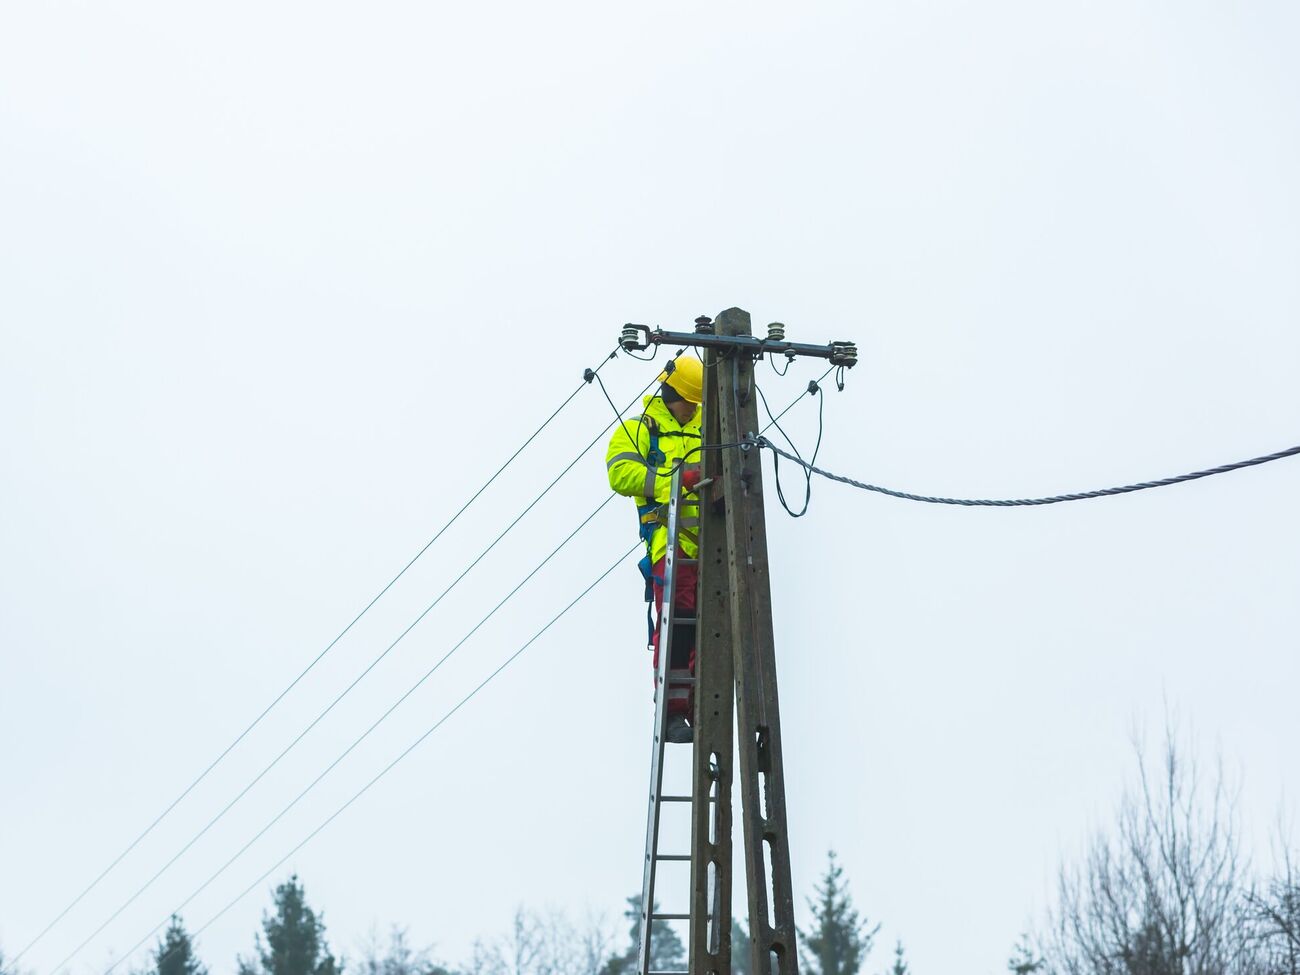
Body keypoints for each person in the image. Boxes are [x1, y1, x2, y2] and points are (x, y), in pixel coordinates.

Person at [605, 357, 703, 743]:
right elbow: (620, 472)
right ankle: (675, 711)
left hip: (713, 540)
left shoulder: (711, 426)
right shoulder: (640, 428)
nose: (694, 408)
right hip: (670, 539)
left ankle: (703, 707)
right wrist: (676, 483)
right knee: (679, 626)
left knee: (711, 628)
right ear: (673, 393)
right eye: (690, 402)